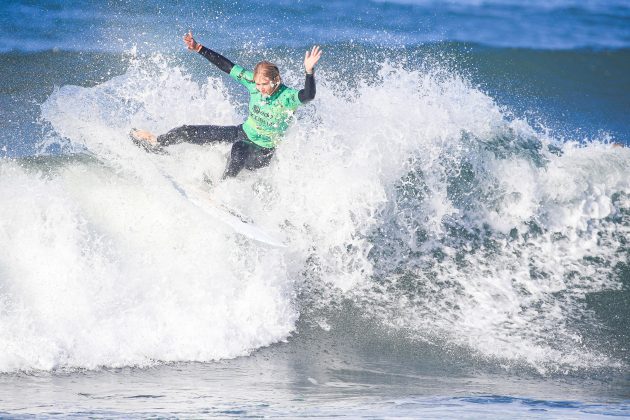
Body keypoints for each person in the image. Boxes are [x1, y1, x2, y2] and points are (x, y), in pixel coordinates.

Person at [131, 31, 322, 178]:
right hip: (243, 131)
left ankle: (223, 190)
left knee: (238, 149)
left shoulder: (286, 97)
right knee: (188, 131)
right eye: (257, 84)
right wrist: (199, 48)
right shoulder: (253, 82)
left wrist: (308, 72)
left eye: (264, 84)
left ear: (276, 80)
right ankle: (157, 142)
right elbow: (227, 66)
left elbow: (308, 95)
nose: (260, 88)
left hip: (262, 151)